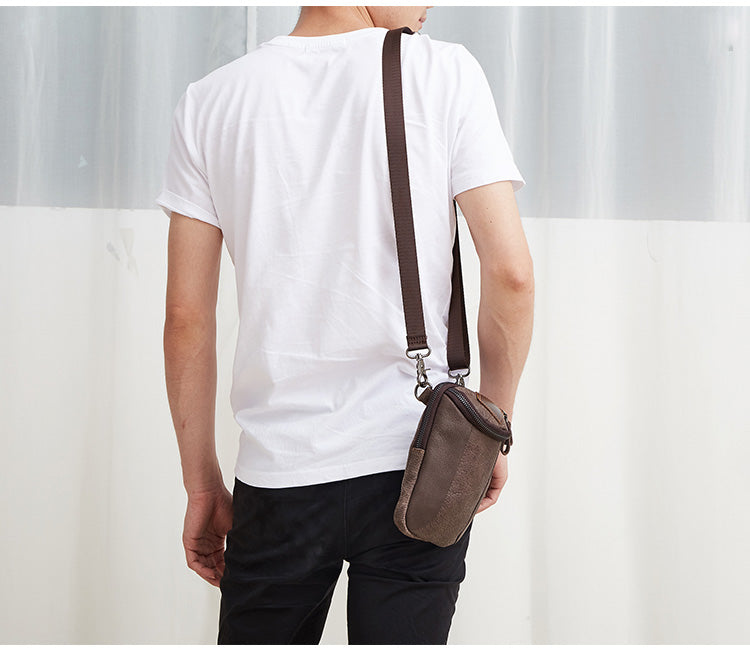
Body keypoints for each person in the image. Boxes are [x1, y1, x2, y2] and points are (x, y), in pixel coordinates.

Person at [157, 5, 534, 645]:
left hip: (277, 473)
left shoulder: (211, 102)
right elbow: (513, 275)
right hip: (419, 460)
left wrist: (202, 485)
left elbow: (186, 319)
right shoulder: (442, 73)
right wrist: (489, 425)